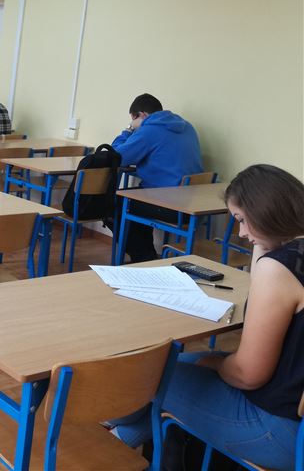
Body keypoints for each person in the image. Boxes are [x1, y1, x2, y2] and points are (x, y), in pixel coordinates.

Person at [112, 164, 304, 470]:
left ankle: (111, 442)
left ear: (267, 213)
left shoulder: (278, 269)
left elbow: (248, 375)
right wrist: (264, 243)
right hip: (293, 412)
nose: (241, 234)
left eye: (242, 220)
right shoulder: (292, 258)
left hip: (279, 431)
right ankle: (115, 443)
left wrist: (214, 363)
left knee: (151, 376)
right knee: (181, 365)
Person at [111, 93, 203, 262]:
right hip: (195, 202)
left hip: (171, 206)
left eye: (133, 120)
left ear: (142, 115)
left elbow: (116, 156)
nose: (134, 126)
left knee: (113, 203)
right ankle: (147, 255)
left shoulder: (150, 130)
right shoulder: (187, 127)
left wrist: (128, 130)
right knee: (135, 200)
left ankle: (144, 259)